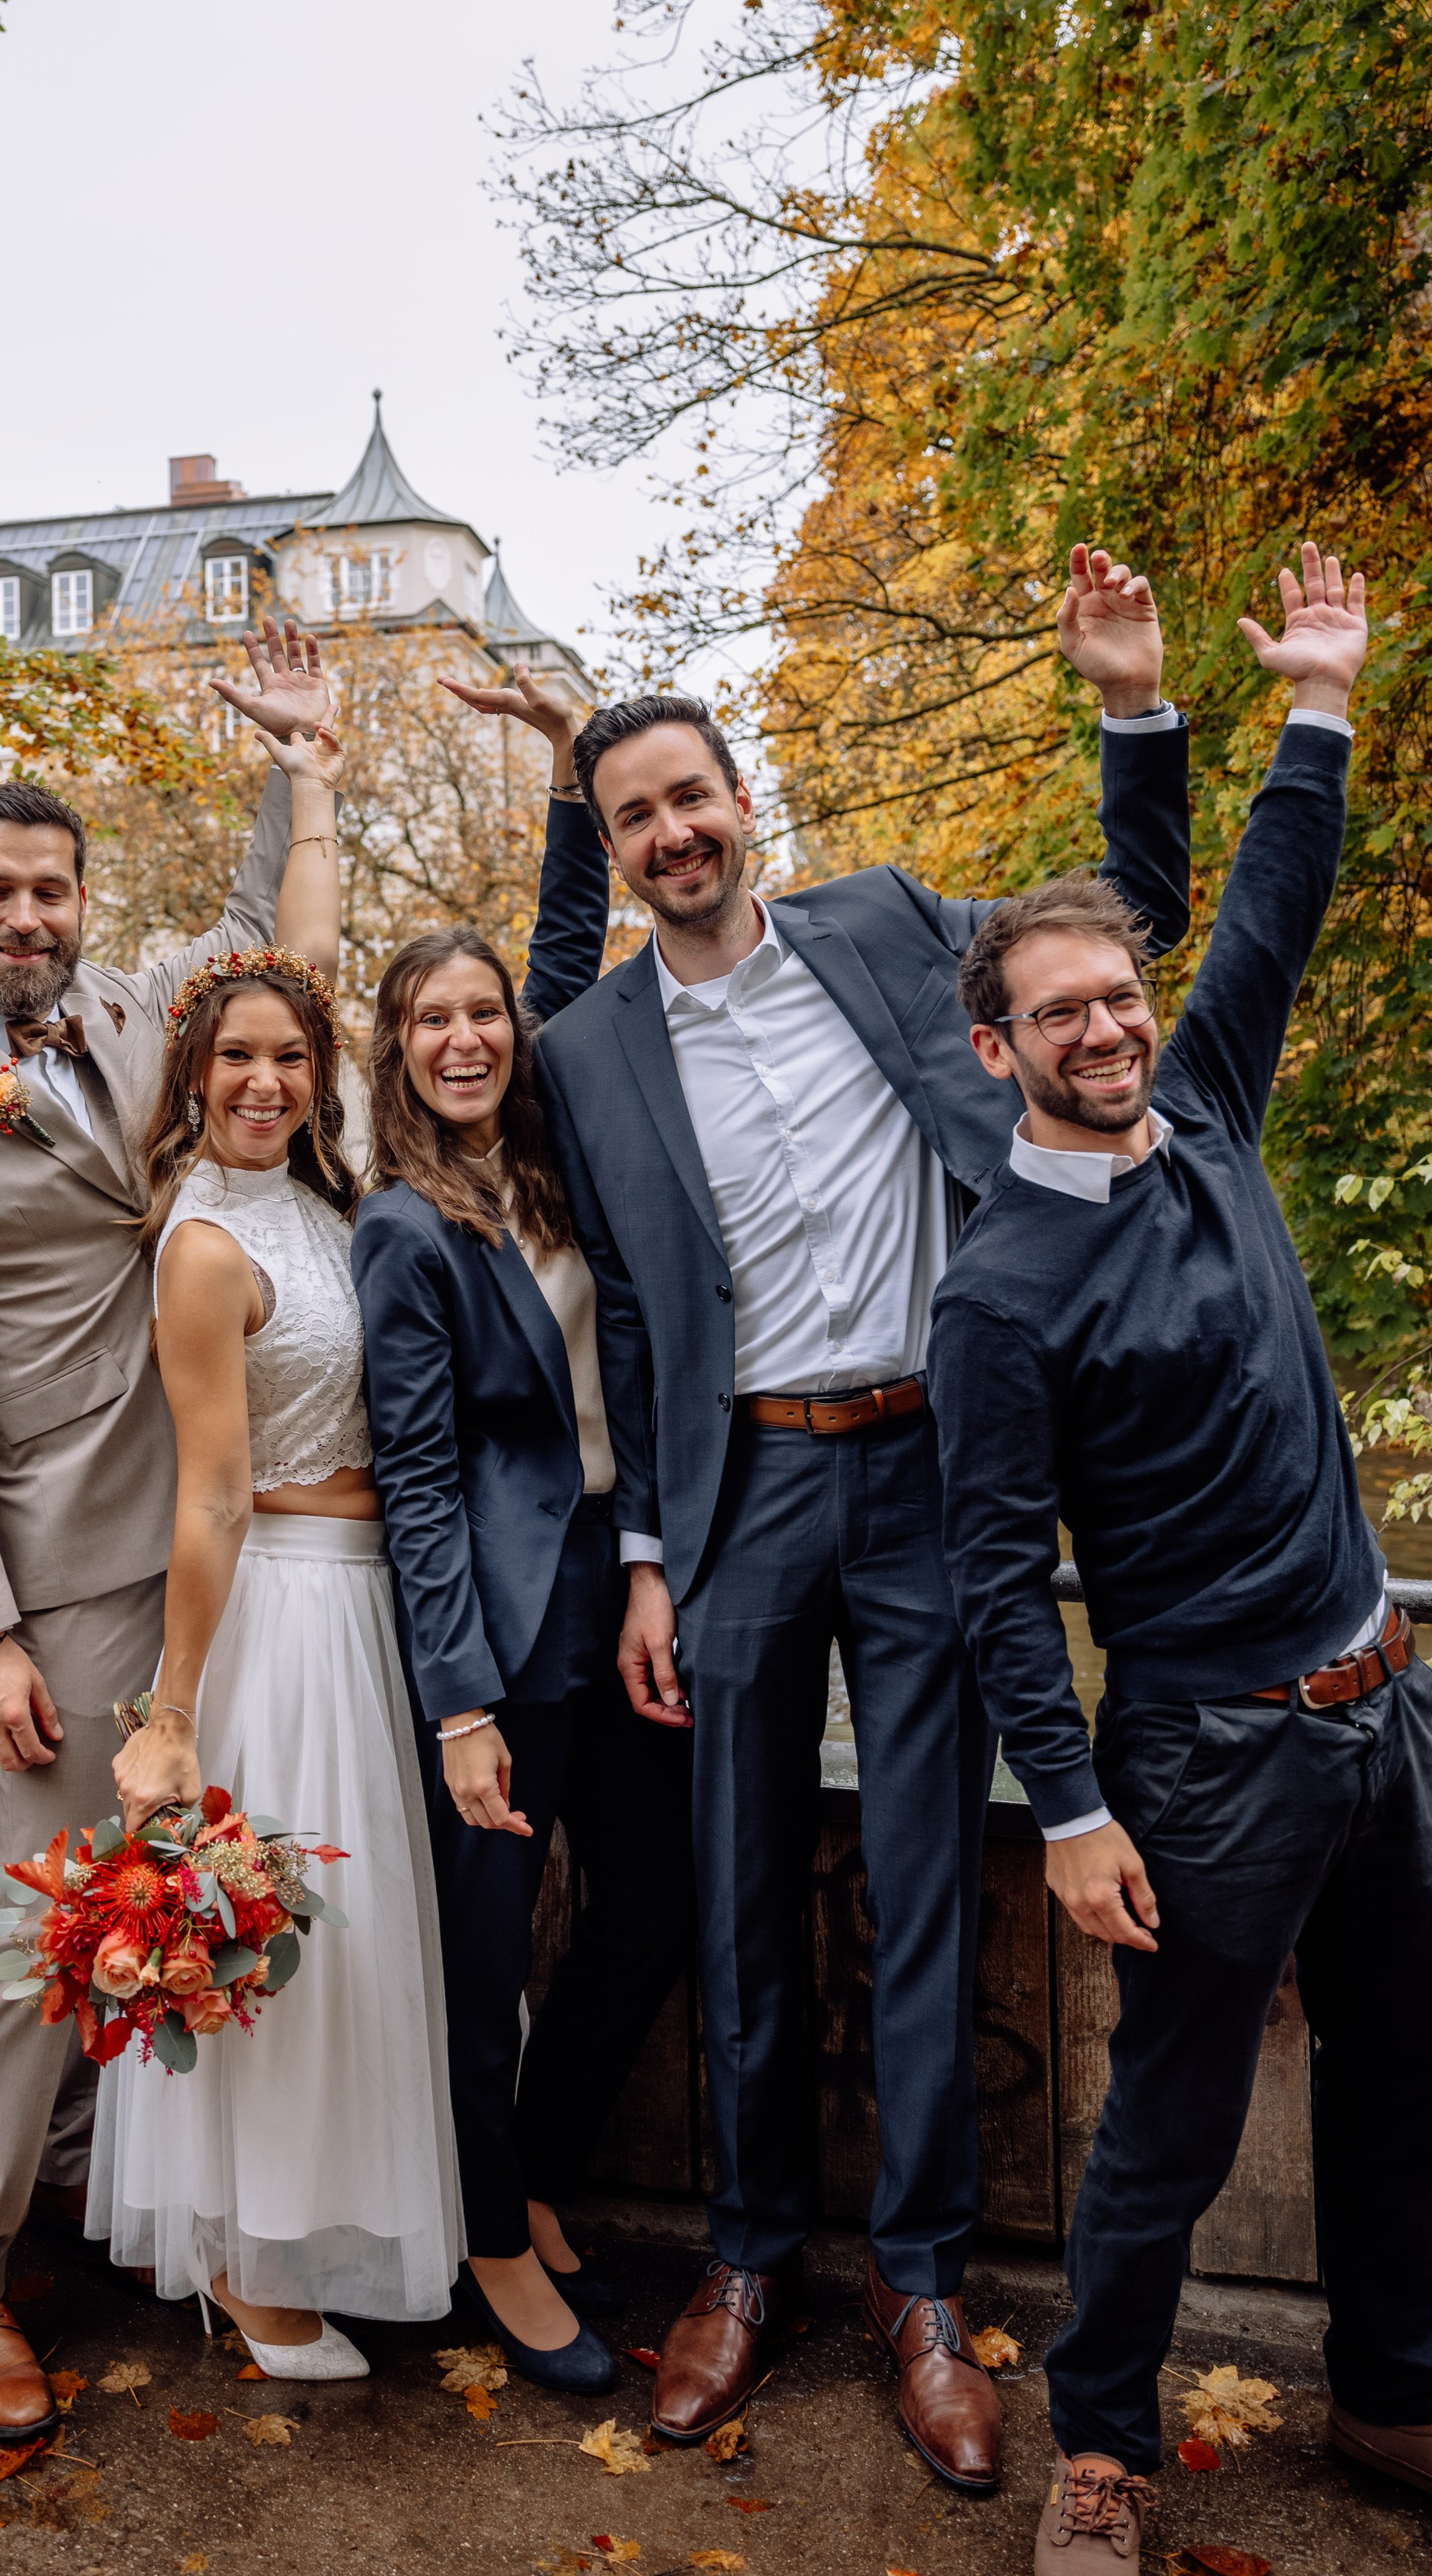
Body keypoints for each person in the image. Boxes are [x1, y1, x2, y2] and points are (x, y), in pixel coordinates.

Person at [530, 551, 1192, 2483]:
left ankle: (914, 2282)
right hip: (738, 1492)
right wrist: (650, 1550)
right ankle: (743, 2263)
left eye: (687, 793)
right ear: (610, 843)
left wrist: (1128, 705)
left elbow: (1115, 924)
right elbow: (636, 1315)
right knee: (736, 1897)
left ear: (742, 800)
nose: (669, 831)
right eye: (629, 814)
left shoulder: (895, 924)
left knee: (917, 1885)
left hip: (929, 1472)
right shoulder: (585, 1052)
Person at [929, 547, 1431, 2569]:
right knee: (1167, 2123)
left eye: (1119, 995)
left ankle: (1393, 2389)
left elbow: (1267, 910)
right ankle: (1102, 2446)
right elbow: (989, 1577)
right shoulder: (994, 1293)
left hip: (1378, 1695)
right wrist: (1063, 1804)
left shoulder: (1207, 1111)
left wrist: (1303, 701)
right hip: (1208, 1756)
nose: (1109, 1025)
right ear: (997, 1050)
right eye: (1061, 1011)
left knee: (1407, 2060)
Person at [0, 622, 334, 2445]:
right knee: (37, 1926)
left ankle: (153, 2214)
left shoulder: (133, 1016)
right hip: (77, 1559)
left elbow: (266, 935)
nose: (26, 909)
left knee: (209, 1882)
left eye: (53, 883)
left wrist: (291, 754)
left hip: (262, 1527)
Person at [87, 712, 462, 2374]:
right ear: (190, 1077)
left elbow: (300, 957)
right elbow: (210, 1494)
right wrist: (171, 1712)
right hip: (279, 1623)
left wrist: (314, 773)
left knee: (357, 1940)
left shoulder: (318, 1198)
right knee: (292, 1940)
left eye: (287, 1058)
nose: (261, 1078)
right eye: (230, 1059)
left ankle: (296, 2231)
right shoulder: (204, 1242)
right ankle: (243, 2259)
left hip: (363, 1599)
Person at [351, 669, 692, 2395]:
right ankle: (490, 2233)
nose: (470, 1036)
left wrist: (572, 780)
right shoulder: (403, 1230)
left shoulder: (545, 1159)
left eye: (483, 1011)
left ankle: (539, 2160)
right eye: (432, 1020)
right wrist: (456, 1699)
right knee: (482, 1952)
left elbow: (562, 958)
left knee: (645, 1908)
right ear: (395, 1049)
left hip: (622, 1599)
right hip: (494, 1634)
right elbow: (412, 1474)